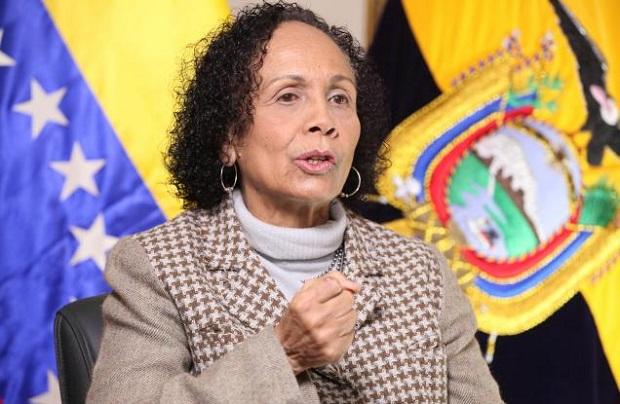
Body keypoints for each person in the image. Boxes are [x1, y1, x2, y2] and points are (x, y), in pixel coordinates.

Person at [87, 2, 503, 403]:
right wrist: (283, 353)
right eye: (288, 96)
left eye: (339, 98)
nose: (324, 120)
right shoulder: (158, 267)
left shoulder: (421, 271)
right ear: (228, 136)